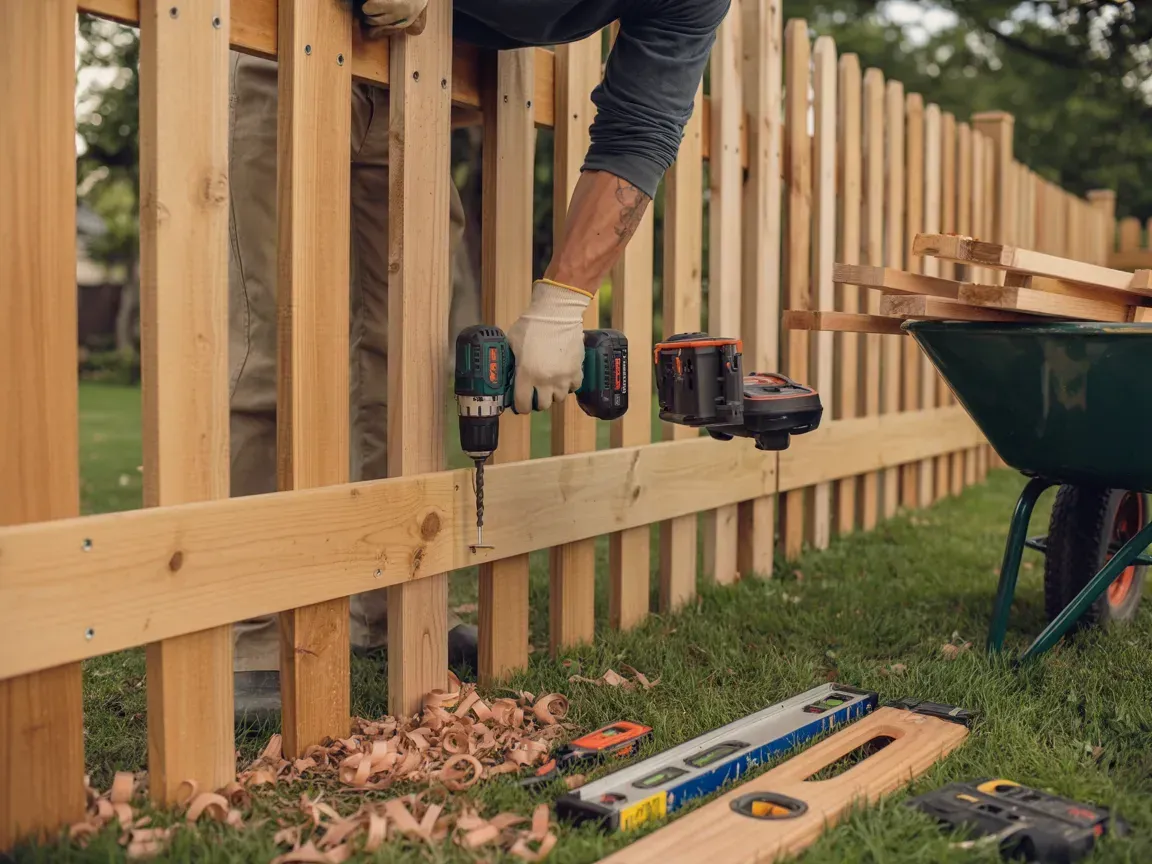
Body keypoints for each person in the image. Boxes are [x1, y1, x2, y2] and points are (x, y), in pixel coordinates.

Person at [229, 0, 729, 718]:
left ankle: (374, 611)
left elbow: (642, 127)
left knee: (394, 356)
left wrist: (563, 304)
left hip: (414, 78)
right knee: (273, 336)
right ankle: (250, 634)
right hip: (289, 39)